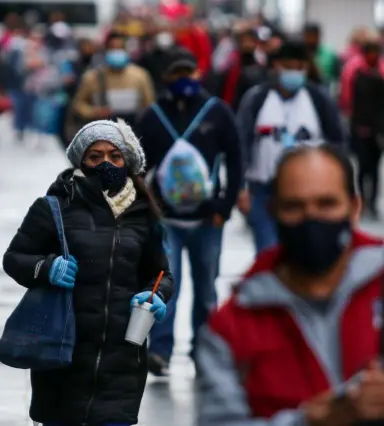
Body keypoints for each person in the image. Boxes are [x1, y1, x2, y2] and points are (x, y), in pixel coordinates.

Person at [196, 145, 384, 426]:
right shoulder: (231, 328)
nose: (311, 219)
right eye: (294, 207)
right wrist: (308, 421)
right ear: (273, 212)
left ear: (354, 207)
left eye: (326, 204)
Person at [3, 119, 173, 426]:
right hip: (63, 356)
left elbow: (162, 274)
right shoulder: (54, 205)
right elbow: (15, 258)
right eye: (95, 156)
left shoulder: (144, 214)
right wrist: (46, 268)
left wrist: (156, 294)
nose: (105, 162)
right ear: (81, 160)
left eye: (114, 155)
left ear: (127, 161)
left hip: (121, 361)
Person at [136, 47, 243, 376]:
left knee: (206, 288)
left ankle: (203, 350)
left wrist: (225, 206)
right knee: (167, 286)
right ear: (165, 78)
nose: (184, 80)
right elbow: (139, 166)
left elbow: (236, 159)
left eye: (189, 73)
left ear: (198, 74)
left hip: (207, 219)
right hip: (167, 220)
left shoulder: (216, 112)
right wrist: (147, 208)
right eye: (176, 74)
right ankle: (160, 351)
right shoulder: (153, 116)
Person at [236, 40, 345, 253]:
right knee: (268, 251)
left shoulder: (318, 99)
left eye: (299, 68)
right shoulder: (257, 98)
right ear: (276, 67)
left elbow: (337, 142)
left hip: (310, 189)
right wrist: (240, 188)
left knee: (305, 251)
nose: (294, 73)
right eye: (288, 67)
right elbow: (241, 142)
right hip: (264, 189)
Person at [72, 32, 155, 126]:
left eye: (120, 48)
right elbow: (78, 104)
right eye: (113, 49)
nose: (117, 52)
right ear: (106, 50)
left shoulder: (140, 75)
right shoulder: (93, 77)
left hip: (133, 129)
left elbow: (150, 105)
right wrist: (93, 112)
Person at [347, 36, 384, 219]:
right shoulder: (355, 72)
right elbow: (348, 100)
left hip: (377, 130)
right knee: (362, 168)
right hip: (359, 127)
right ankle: (362, 201)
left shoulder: (381, 74)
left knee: (374, 169)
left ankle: (372, 203)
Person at [303, 22, 340, 94]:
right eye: (308, 36)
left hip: (325, 92)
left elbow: (336, 77)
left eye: (313, 36)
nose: (311, 39)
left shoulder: (329, 54)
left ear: (319, 36)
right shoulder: (300, 54)